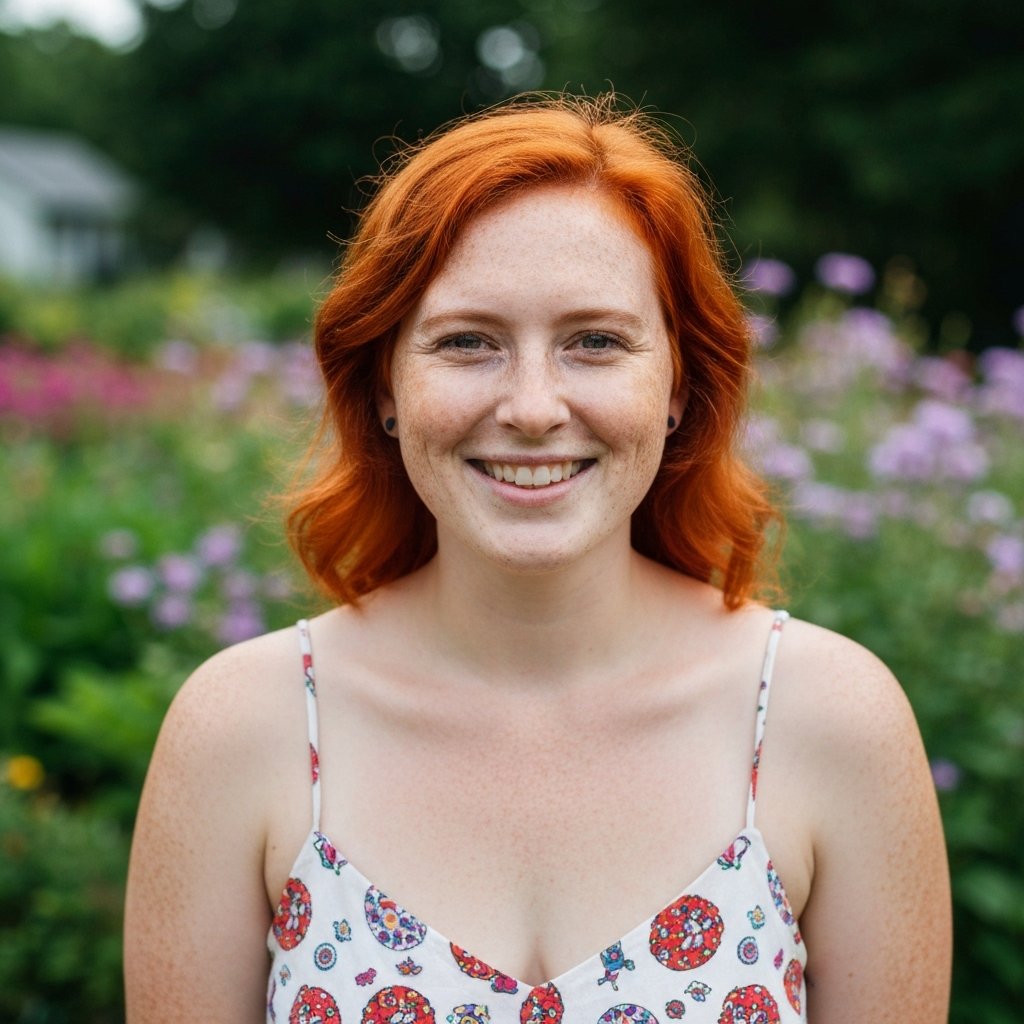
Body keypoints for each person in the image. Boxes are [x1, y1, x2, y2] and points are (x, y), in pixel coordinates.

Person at [124, 93, 951, 1023]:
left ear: (679, 383)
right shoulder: (244, 729)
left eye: (594, 342)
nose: (531, 406)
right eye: (467, 342)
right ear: (384, 384)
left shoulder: (830, 722)